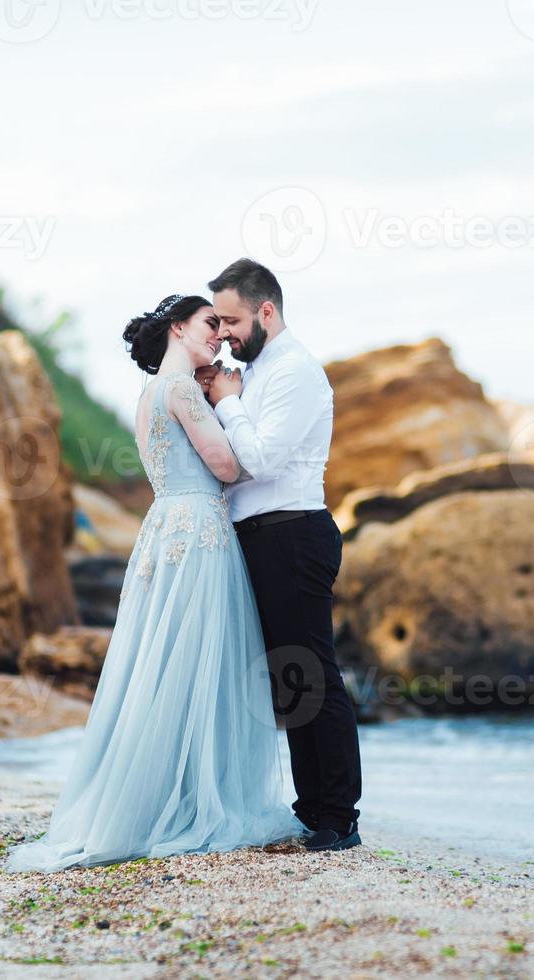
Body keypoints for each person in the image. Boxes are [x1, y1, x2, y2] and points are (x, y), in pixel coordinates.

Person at [4, 293, 303, 872]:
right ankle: (190, 801)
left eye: (222, 324)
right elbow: (225, 466)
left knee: (163, 665)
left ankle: (164, 795)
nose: (218, 334)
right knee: (198, 664)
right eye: (209, 324)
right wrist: (235, 403)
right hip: (198, 532)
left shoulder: (148, 393)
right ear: (177, 328)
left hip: (166, 526)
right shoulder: (184, 389)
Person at [197, 258, 363, 853]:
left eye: (233, 320)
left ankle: (339, 817)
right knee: (289, 680)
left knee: (314, 672)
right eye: (218, 322)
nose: (226, 333)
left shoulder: (294, 371)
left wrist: (229, 403)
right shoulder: (257, 370)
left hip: (294, 533)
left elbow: (260, 460)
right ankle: (310, 805)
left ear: (266, 310)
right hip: (262, 536)